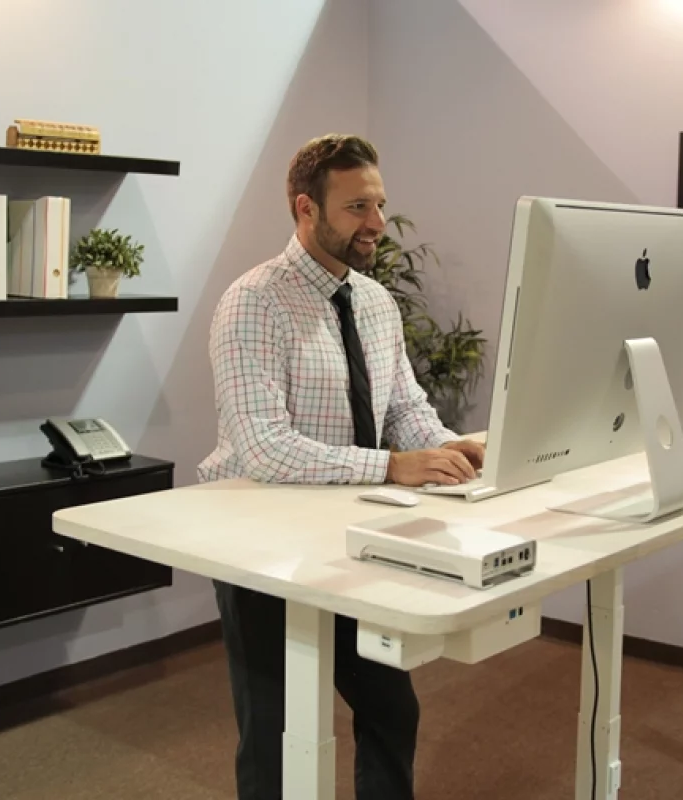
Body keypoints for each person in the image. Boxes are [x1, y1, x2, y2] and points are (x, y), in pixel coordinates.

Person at [197, 133, 485, 800]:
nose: (378, 222)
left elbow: (405, 408)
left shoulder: (376, 303)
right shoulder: (254, 302)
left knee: (391, 708)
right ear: (306, 209)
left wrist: (451, 451)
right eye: (358, 207)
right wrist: (393, 466)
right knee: (274, 732)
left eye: (379, 204)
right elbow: (265, 448)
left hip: (349, 536)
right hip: (259, 545)